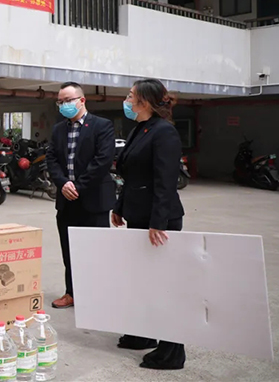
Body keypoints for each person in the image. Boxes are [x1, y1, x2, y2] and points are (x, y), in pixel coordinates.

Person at [112, 78, 185, 370]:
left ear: (144, 101)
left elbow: (165, 181)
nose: (127, 100)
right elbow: (131, 176)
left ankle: (172, 350)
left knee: (163, 285)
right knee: (143, 280)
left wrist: (159, 222)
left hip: (159, 221)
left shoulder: (164, 132)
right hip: (139, 215)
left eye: (131, 96)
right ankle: (144, 333)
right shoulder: (140, 129)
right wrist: (120, 207)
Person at [45, 82, 115, 309]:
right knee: (69, 251)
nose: (63, 105)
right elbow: (51, 159)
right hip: (67, 201)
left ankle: (97, 296)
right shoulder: (58, 129)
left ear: (82, 100)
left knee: (96, 252)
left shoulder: (102, 126)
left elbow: (102, 161)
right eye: (60, 101)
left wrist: (78, 186)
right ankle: (71, 293)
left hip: (94, 200)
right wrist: (63, 183)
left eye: (68, 100)